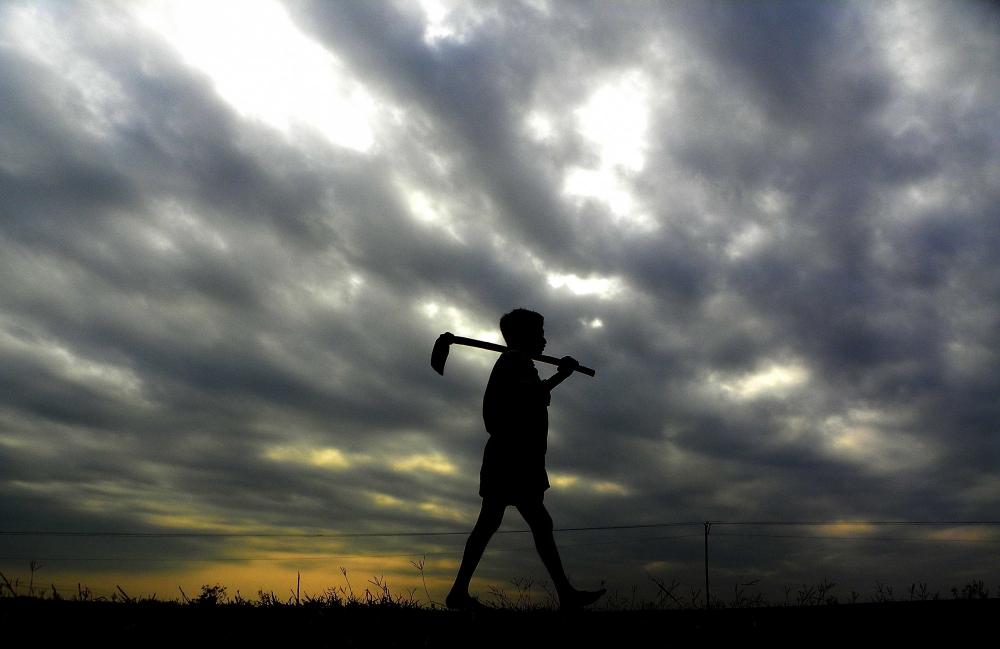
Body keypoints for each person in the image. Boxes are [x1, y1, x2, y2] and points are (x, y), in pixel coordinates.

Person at [446, 308, 606, 611]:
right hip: (512, 458)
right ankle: (566, 595)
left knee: (496, 522)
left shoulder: (517, 364)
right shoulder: (515, 362)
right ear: (525, 336)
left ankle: (459, 592)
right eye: (540, 334)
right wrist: (562, 375)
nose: (545, 340)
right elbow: (529, 398)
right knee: (533, 522)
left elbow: (531, 394)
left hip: (514, 457)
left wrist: (561, 374)